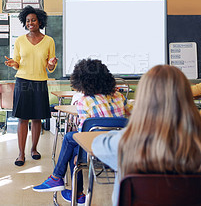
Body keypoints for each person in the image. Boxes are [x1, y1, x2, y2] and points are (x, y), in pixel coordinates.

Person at [92, 65, 201, 206]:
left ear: (143, 100)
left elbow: (97, 144)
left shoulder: (122, 144)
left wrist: (127, 131)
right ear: (186, 99)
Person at [33, 59, 131, 204]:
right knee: (72, 142)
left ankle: (64, 183)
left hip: (95, 152)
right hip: (120, 150)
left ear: (82, 82)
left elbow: (83, 135)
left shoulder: (84, 102)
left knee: (70, 139)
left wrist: (79, 153)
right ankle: (70, 188)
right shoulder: (119, 97)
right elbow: (133, 118)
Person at [4, 5, 58, 166]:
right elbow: (17, 63)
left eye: (33, 20)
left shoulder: (49, 41)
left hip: (40, 82)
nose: (30, 23)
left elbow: (50, 67)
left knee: (37, 118)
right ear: (24, 22)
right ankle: (21, 154)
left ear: (39, 21)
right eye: (27, 20)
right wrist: (13, 63)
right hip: (23, 81)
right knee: (22, 119)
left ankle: (34, 149)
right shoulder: (20, 40)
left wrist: (52, 63)